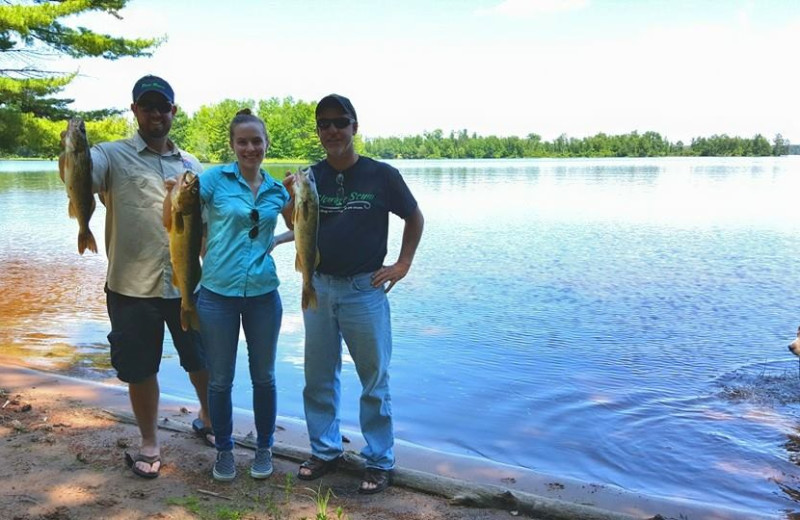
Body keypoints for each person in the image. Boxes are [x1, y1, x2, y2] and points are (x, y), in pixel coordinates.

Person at [59, 75, 213, 479]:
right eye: (148, 107)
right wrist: (71, 149)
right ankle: (149, 441)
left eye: (163, 106)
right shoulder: (109, 155)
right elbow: (77, 178)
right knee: (141, 367)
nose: (156, 114)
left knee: (201, 358)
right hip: (130, 286)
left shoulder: (192, 165)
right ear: (135, 111)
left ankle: (209, 419)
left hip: (186, 284)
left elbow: (204, 228)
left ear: (173, 111)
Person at [286, 94, 424, 494]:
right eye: (324, 124)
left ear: (354, 127)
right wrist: (292, 199)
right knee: (318, 378)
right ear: (318, 131)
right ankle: (325, 450)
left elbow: (414, 216)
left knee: (373, 380)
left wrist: (402, 264)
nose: (332, 130)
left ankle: (379, 460)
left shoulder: (381, 175)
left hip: (365, 289)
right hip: (319, 286)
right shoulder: (310, 177)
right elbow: (297, 227)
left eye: (339, 122)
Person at [190, 109, 292, 481]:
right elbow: (180, 213)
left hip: (264, 294)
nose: (250, 148)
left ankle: (264, 447)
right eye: (243, 142)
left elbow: (304, 227)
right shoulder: (213, 180)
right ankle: (224, 451)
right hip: (217, 294)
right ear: (233, 145)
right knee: (220, 380)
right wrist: (171, 195)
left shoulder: (278, 189)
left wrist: (278, 238)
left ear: (266, 144)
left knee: (263, 377)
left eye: (256, 141)